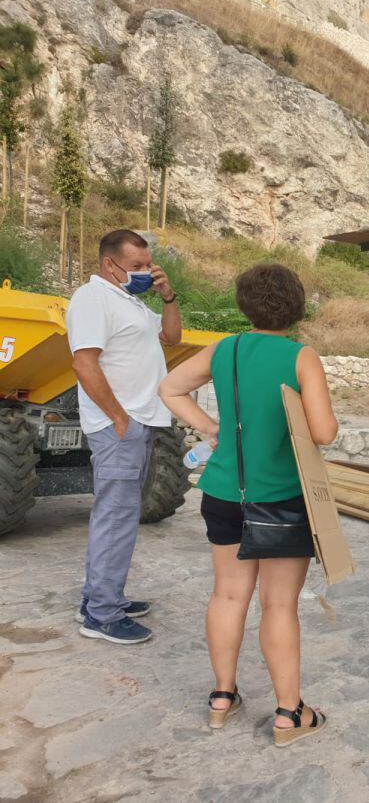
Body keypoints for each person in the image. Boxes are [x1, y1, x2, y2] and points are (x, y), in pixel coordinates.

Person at [158, 263, 339, 747]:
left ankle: (222, 697)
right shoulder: (302, 357)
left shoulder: (225, 349)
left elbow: (169, 388)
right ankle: (289, 713)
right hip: (279, 498)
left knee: (228, 595)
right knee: (279, 604)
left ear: (244, 305)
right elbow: (322, 433)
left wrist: (211, 428)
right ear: (297, 307)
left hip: (222, 493)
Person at [68, 229, 181, 645]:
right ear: (108, 265)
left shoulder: (127, 301)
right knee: (116, 519)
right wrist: (118, 417)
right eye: (135, 267)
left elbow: (172, 338)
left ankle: (101, 596)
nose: (144, 273)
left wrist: (168, 297)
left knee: (117, 518)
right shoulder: (92, 298)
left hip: (138, 422)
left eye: (147, 266)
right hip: (120, 426)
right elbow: (84, 363)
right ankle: (102, 615)